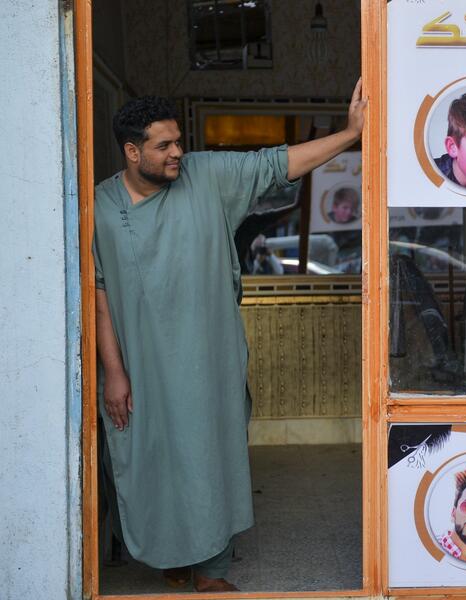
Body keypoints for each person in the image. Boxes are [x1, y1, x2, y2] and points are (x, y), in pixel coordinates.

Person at [93, 80, 366, 592]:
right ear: (132, 152)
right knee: (144, 457)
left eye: (179, 142)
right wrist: (114, 373)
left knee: (209, 454)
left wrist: (350, 133)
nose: (178, 152)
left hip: (205, 359)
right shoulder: (100, 207)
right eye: (164, 146)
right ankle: (171, 554)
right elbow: (99, 294)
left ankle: (211, 570)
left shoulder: (206, 176)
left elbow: (276, 163)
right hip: (139, 365)